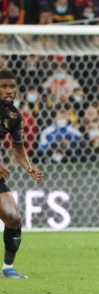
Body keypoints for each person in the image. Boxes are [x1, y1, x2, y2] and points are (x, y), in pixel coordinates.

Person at [0, 70, 43, 278]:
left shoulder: (14, 115)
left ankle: (8, 268)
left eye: (12, 87)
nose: (9, 91)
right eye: (4, 87)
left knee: (13, 218)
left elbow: (18, 147)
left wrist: (28, 167)